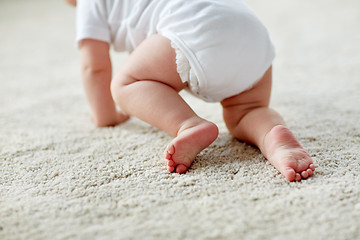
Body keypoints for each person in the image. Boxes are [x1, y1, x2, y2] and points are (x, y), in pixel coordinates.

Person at [65, 0, 315, 181]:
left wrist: (105, 116)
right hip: (252, 33)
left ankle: (188, 125)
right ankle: (273, 137)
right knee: (248, 110)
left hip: (195, 31)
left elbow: (94, 68)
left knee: (125, 83)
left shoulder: (89, 4)